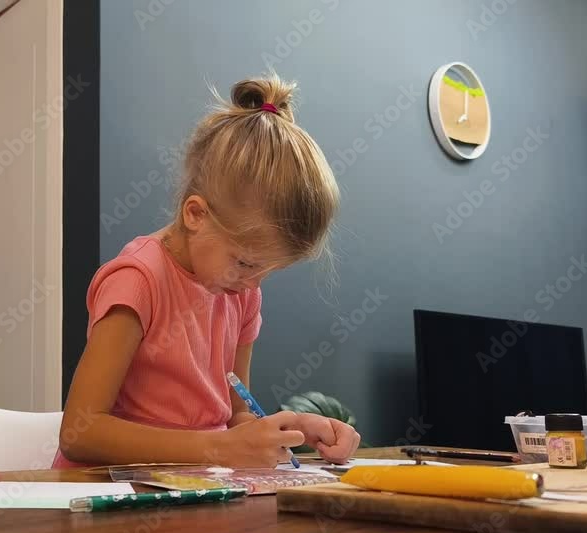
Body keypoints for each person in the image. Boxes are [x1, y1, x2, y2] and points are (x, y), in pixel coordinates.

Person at [56, 74, 360, 468]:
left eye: (267, 272)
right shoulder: (138, 281)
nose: (252, 284)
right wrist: (217, 448)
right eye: (245, 263)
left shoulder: (242, 294)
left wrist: (294, 428)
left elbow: (236, 414)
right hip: (112, 490)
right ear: (196, 214)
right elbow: (80, 434)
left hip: (195, 485)